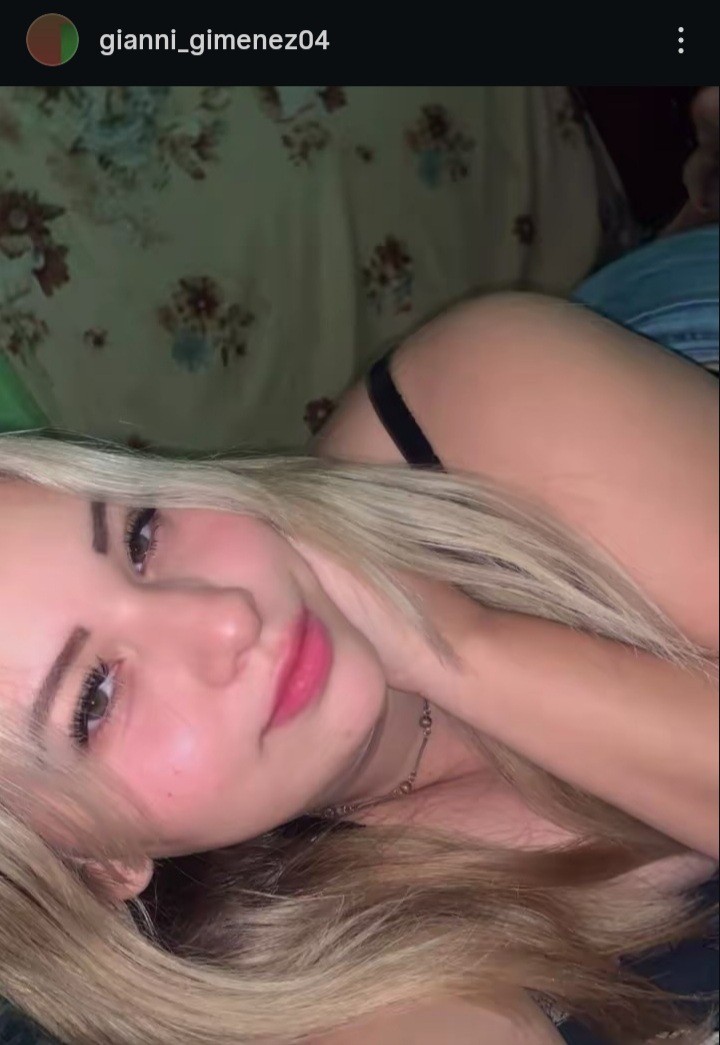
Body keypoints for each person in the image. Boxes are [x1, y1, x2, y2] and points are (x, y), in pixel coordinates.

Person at [0, 96, 717, 1045]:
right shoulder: (297, 973)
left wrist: (461, 645)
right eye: (94, 697)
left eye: (139, 536)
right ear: (97, 864)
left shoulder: (475, 394)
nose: (223, 618)